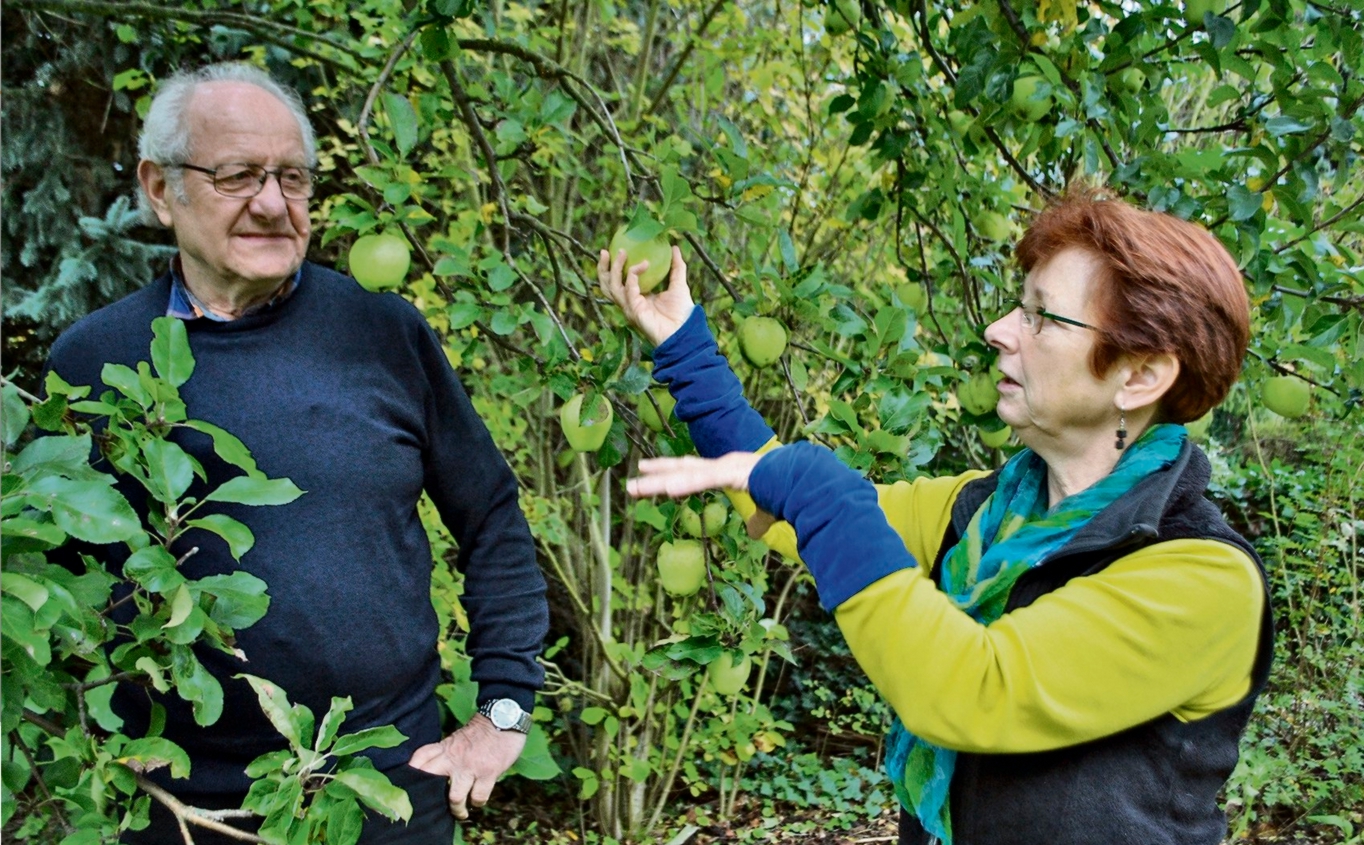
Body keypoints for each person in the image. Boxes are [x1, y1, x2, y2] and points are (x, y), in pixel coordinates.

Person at [599, 188, 1275, 845]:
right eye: (1018, 306)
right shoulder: (982, 514)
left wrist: (815, 487)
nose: (999, 330)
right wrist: (685, 345)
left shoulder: (1203, 576)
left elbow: (973, 687)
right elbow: (788, 508)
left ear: (1139, 375)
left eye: (1042, 316)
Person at [43, 62, 549, 844]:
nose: (274, 204)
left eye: (293, 177)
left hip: (388, 793)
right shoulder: (91, 363)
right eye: (239, 175)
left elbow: (490, 518)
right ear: (158, 187)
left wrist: (505, 707)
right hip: (176, 810)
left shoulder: (385, 335)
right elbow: (51, 584)